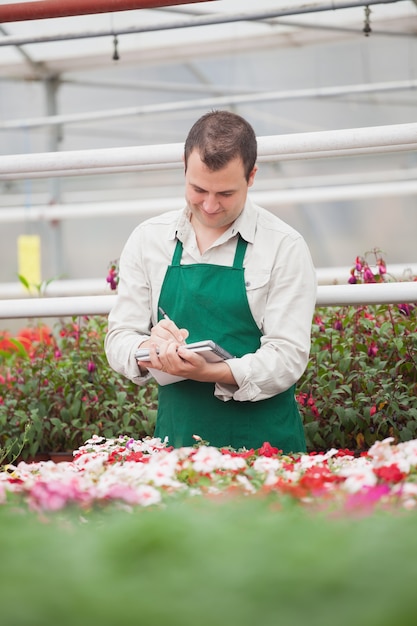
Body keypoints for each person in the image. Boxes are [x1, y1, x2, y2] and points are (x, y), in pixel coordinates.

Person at [105, 110, 317, 453]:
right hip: (178, 444)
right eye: (198, 189)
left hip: (265, 448)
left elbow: (287, 356)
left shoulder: (283, 246)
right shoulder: (149, 240)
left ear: (252, 176)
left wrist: (212, 372)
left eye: (225, 193)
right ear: (183, 169)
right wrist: (151, 350)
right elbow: (119, 338)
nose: (209, 205)